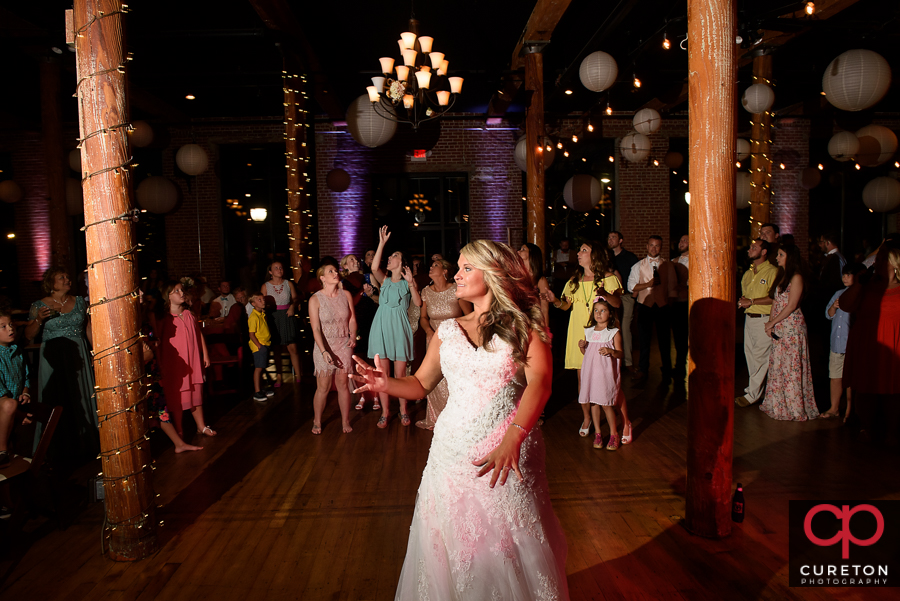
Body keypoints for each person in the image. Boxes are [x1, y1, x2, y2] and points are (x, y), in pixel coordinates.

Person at [350, 240, 569, 600]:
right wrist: (384, 382)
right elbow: (420, 384)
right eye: (459, 267)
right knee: (456, 545)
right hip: (450, 456)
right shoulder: (447, 331)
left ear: (494, 273)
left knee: (507, 545)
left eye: (467, 268)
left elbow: (540, 384)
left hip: (505, 455)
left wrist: (512, 438)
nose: (456, 274)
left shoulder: (524, 325)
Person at [545, 241, 622, 436]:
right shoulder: (574, 281)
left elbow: (617, 304)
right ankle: (587, 417)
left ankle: (614, 414)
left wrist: (604, 293)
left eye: (583, 250)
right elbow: (565, 306)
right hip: (579, 332)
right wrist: (554, 300)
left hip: (601, 332)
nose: (578, 253)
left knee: (605, 375)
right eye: (579, 250)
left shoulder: (608, 278)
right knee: (583, 377)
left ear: (594, 256)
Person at [25, 267, 99, 465]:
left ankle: (86, 444)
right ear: (52, 283)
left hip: (78, 355)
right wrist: (39, 320)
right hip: (53, 358)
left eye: (68, 276)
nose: (67, 279)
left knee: (81, 397)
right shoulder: (39, 305)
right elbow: (29, 335)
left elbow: (88, 328)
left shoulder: (79, 302)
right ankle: (55, 448)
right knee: (56, 399)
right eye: (62, 277)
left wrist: (95, 352)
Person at [840, 244, 900, 444]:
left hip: (893, 344)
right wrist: (858, 284)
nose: (878, 262)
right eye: (878, 258)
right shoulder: (867, 285)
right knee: (865, 388)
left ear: (895, 263)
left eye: (884, 259)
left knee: (893, 390)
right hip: (867, 342)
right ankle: (866, 428)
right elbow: (845, 305)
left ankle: (893, 432)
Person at [367, 226, 422, 427]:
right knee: (382, 375)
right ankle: (385, 411)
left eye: (394, 255)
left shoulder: (407, 283)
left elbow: (418, 304)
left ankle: (403, 410)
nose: (389, 258)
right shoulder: (385, 280)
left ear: (402, 262)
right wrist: (381, 243)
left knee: (399, 376)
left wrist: (412, 284)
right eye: (389, 255)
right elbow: (374, 268)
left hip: (399, 329)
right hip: (381, 328)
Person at [760, 245, 818, 421]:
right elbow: (776, 302)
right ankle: (778, 403)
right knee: (778, 364)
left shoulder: (797, 277)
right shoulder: (781, 277)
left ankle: (794, 406)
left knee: (791, 365)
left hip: (792, 326)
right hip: (780, 325)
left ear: (790, 257)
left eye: (780, 255)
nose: (777, 258)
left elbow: (791, 305)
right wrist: (770, 325)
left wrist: (773, 321)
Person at [158, 281, 216, 438]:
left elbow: (198, 334)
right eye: (176, 291)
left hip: (193, 361)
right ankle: (179, 429)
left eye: (181, 290)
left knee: (196, 392)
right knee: (178, 396)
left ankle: (201, 426)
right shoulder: (165, 319)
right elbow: (160, 343)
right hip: (176, 365)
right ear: (167, 296)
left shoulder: (189, 315)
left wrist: (205, 353)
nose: (181, 293)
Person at [416, 259, 466, 430]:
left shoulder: (456, 290)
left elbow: (469, 315)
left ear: (445, 271)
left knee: (453, 378)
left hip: (455, 339)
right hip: (433, 339)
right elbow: (423, 318)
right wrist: (429, 332)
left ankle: (457, 417)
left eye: (435, 265)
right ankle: (436, 416)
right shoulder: (426, 292)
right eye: (431, 265)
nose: (431, 267)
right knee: (434, 377)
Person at [578, 298, 632, 451]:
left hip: (604, 374)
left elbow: (620, 354)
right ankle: (598, 433)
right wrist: (582, 347)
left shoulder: (613, 333)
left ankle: (614, 433)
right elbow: (588, 354)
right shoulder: (589, 331)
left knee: (606, 404)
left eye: (603, 310)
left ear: (610, 313)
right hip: (591, 373)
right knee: (594, 403)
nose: (599, 314)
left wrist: (611, 351)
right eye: (596, 310)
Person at [309, 264, 357, 435]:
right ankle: (317, 420)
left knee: (343, 384)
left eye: (336, 271)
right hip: (324, 345)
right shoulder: (315, 299)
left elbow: (351, 319)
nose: (335, 273)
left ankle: (345, 420)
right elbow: (315, 329)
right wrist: (323, 351)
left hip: (343, 343)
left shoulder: (346, 295)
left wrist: (352, 336)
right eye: (331, 271)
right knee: (323, 386)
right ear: (322, 278)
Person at [627, 235, 677, 384]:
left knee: (664, 340)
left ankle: (667, 368)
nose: (654, 248)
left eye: (657, 246)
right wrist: (648, 284)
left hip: (662, 306)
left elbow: (672, 287)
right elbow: (631, 287)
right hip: (644, 305)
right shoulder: (638, 266)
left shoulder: (667, 265)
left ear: (660, 248)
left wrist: (669, 303)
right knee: (644, 340)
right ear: (647, 247)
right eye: (651, 245)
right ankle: (643, 369)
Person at [736, 239, 779, 407]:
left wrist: (751, 301)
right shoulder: (747, 274)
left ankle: (751, 395)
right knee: (750, 356)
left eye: (754, 247)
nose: (749, 249)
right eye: (750, 246)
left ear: (764, 252)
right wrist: (744, 302)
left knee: (760, 357)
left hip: (764, 320)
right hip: (749, 319)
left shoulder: (772, 272)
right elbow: (746, 298)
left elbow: (775, 298)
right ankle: (759, 392)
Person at [821, 263, 864, 421]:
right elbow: (828, 314)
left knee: (851, 379)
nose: (845, 278)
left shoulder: (860, 294)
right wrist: (834, 306)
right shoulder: (838, 293)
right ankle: (834, 408)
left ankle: (850, 411)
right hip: (836, 343)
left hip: (849, 344)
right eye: (843, 275)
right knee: (835, 376)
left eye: (848, 275)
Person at [262, 261, 302, 387]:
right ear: (270, 272)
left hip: (287, 314)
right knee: (277, 348)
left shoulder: (288, 283)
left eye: (281, 267)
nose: (279, 269)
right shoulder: (266, 286)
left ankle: (298, 376)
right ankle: (279, 377)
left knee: (293, 348)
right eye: (276, 268)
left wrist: (292, 306)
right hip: (273, 317)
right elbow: (261, 303)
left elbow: (296, 298)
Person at [0, 309, 31, 468]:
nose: (10, 329)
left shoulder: (17, 351)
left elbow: (26, 375)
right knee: (9, 405)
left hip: (17, 405)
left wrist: (25, 391)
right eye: (3, 326)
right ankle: (2, 452)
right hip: (4, 407)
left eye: (10, 324)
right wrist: (17, 414)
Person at [608, 231, 639, 371]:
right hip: (610, 297)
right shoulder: (607, 257)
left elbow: (638, 276)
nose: (610, 240)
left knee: (625, 328)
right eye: (609, 237)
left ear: (620, 240)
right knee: (612, 327)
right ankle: (614, 362)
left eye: (613, 237)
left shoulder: (630, 257)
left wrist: (633, 296)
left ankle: (628, 362)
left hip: (626, 296)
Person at [247, 292, 274, 402]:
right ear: (253, 303)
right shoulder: (253, 317)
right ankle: (257, 391)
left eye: (263, 299)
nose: (263, 301)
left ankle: (261, 388)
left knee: (262, 367)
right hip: (260, 346)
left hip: (265, 344)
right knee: (258, 368)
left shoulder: (262, 314)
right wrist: (259, 346)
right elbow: (251, 334)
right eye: (259, 300)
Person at [671, 234, 690, 379]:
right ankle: (679, 366)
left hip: (689, 303)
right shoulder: (673, 261)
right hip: (676, 304)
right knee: (678, 337)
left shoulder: (695, 262)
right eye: (681, 240)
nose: (681, 242)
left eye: (685, 240)